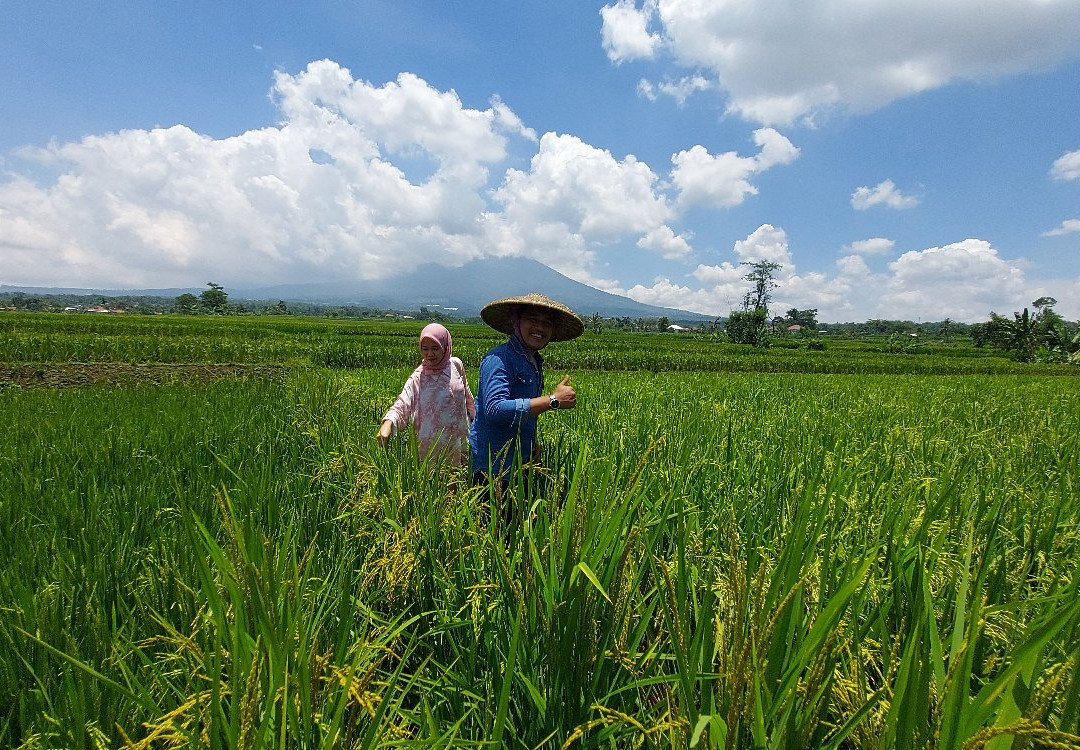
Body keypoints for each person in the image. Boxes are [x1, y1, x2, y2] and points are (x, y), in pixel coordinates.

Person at [469, 293, 584, 500]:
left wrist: (530, 444)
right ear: (516, 321)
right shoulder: (499, 359)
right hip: (492, 470)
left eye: (546, 323)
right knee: (493, 529)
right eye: (533, 320)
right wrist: (553, 400)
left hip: (518, 465)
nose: (540, 328)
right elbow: (495, 409)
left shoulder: (534, 362)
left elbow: (526, 412)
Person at [377, 322, 475, 466]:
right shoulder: (418, 378)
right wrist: (388, 423)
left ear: (445, 346)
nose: (430, 354)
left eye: (435, 348)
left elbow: (468, 398)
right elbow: (402, 405)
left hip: (459, 442)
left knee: (461, 483)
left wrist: (477, 423)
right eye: (425, 349)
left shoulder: (456, 365)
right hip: (432, 448)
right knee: (435, 485)